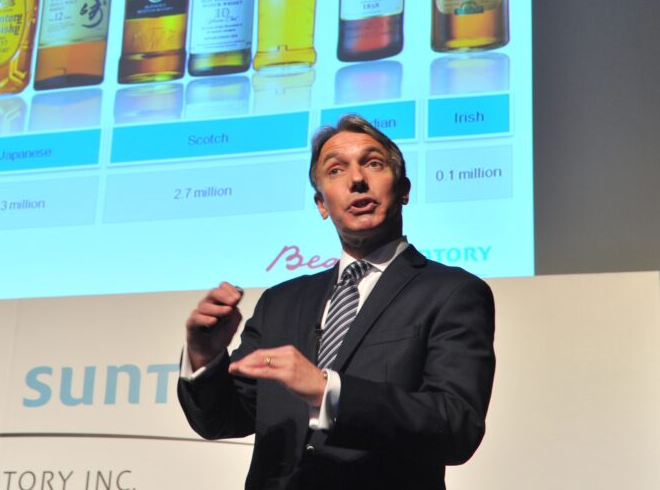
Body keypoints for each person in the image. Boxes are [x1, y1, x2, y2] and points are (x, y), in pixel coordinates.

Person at [179, 114, 495, 489]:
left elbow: (457, 426)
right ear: (322, 204)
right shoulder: (280, 302)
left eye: (373, 164)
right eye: (336, 170)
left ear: (404, 189)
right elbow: (221, 420)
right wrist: (204, 357)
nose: (356, 179)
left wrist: (329, 390)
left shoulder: (451, 292)